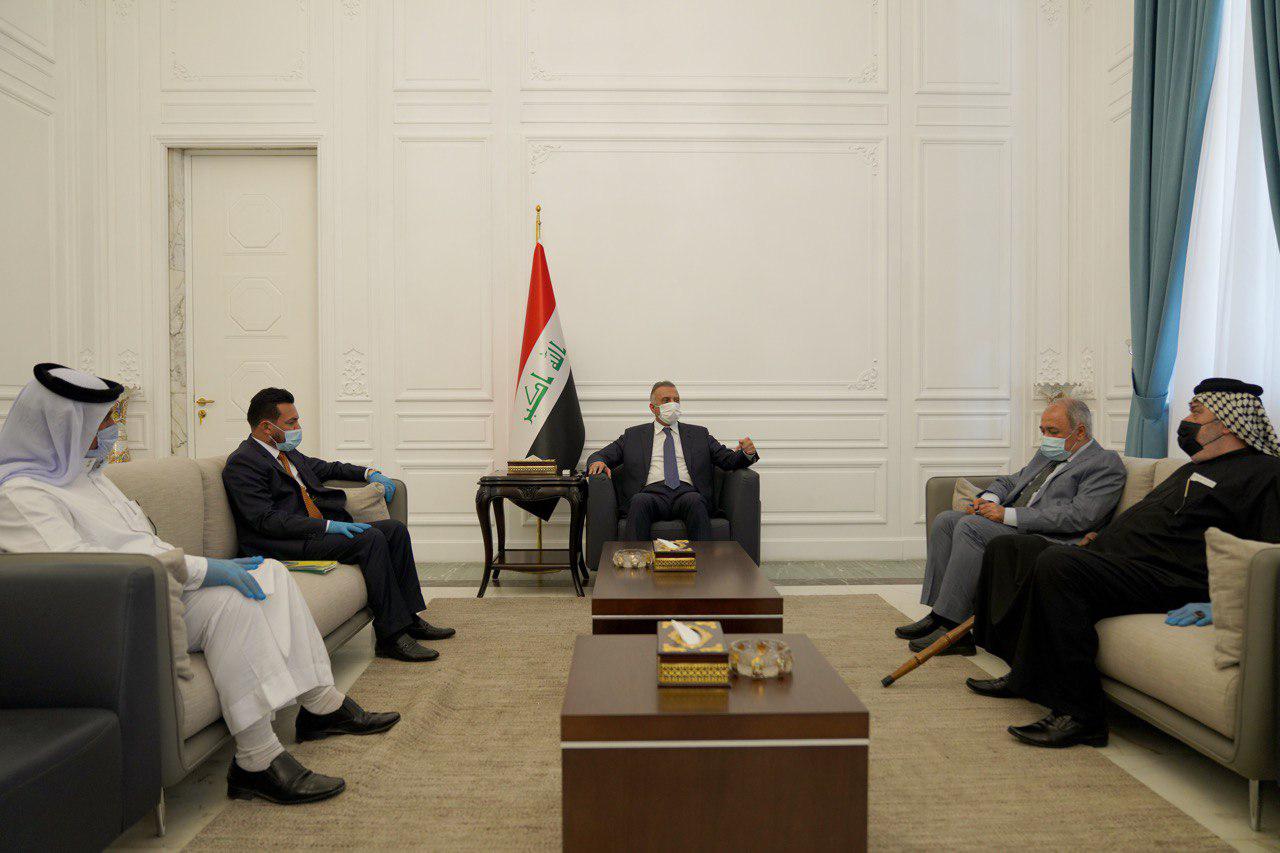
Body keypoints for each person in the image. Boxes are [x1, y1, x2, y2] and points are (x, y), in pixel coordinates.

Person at [0, 364, 401, 805]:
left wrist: (201, 566)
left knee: (270, 573)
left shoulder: (91, 479)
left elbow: (144, 542)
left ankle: (322, 706)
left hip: (159, 585)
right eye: (105, 421)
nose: (114, 430)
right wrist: (201, 570)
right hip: (116, 612)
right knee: (234, 604)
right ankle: (257, 760)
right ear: (64, 427)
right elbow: (81, 574)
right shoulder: (21, 495)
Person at [967, 378, 1280, 748]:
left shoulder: (1265, 474)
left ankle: (1082, 715)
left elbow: (1266, 552)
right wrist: (1100, 539)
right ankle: (1023, 673)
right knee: (1010, 548)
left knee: (1059, 565)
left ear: (1227, 423)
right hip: (1124, 562)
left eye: (1196, 413)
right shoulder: (1193, 468)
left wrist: (1218, 603)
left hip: (1172, 577)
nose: (1186, 421)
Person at [222, 387, 453, 663]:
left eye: (297, 420)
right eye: (291, 422)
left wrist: (368, 472)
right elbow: (265, 520)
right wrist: (327, 527)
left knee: (394, 530)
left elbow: (328, 468)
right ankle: (390, 637)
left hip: (311, 533)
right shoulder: (243, 463)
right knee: (370, 539)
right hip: (284, 543)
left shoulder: (286, 453)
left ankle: (410, 618)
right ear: (266, 427)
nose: (298, 428)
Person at [897, 398, 1125, 655]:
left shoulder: (1104, 464)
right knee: (946, 521)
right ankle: (938, 614)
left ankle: (954, 628)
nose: (1046, 438)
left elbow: (1079, 516)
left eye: (1053, 431)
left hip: (1048, 537)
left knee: (971, 527)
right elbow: (1010, 481)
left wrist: (1006, 515)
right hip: (1016, 527)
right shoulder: (1049, 454)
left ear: (1080, 431)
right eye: (1043, 431)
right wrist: (989, 500)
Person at [586, 380, 758, 542]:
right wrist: (598, 461)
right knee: (638, 501)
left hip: (687, 493)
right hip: (650, 493)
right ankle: (637, 561)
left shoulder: (699, 434)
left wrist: (747, 454)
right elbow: (600, 455)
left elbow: (728, 460)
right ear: (653, 408)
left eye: (676, 400)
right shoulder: (633, 436)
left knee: (696, 501)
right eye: (666, 400)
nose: (673, 404)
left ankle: (703, 562)